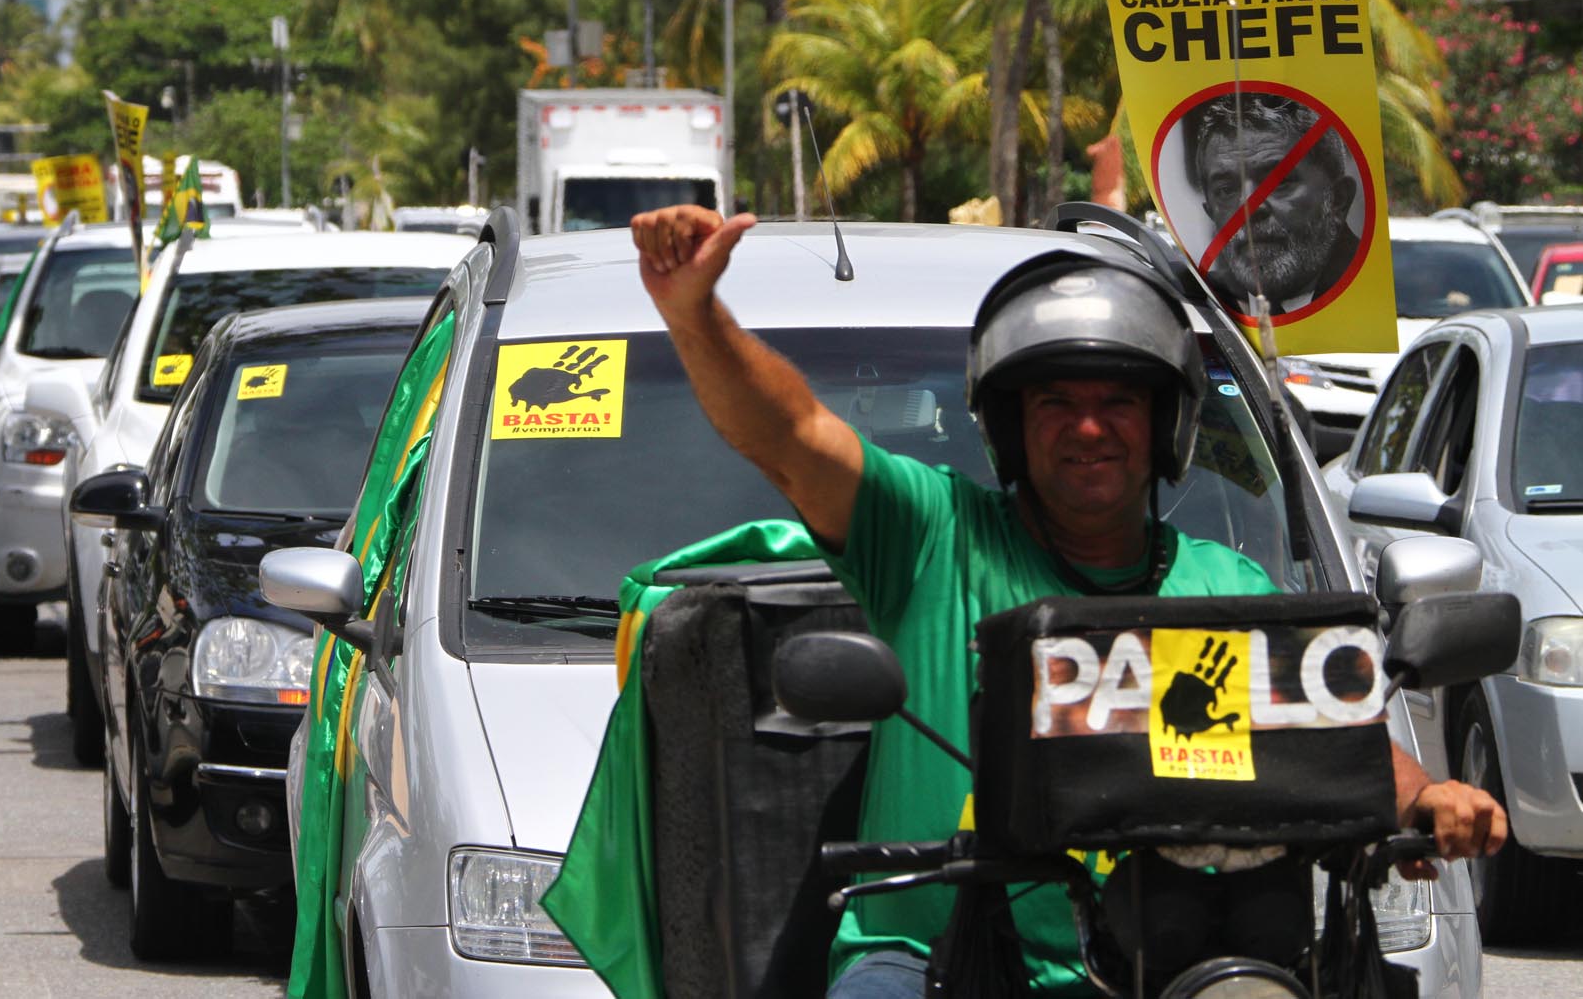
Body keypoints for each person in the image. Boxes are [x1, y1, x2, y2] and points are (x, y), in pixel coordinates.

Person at [630, 205, 1506, 997]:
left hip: (1175, 957)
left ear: (1165, 425)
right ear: (1011, 427)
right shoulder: (935, 535)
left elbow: (1325, 731)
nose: (1090, 428)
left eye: (1118, 401)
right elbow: (788, 436)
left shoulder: (1225, 587)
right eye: (1056, 403)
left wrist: (1424, 796)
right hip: (936, 948)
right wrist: (693, 312)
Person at [1186, 94, 1362, 315]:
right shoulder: (1194, 303)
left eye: (1278, 182)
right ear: (1210, 213)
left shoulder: (1374, 286)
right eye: (1227, 190)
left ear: (1338, 199)